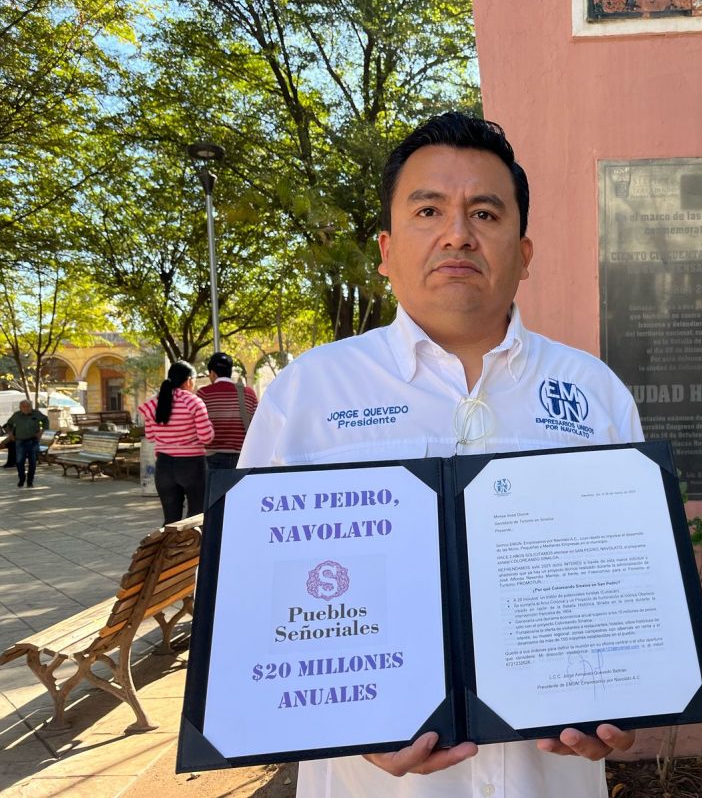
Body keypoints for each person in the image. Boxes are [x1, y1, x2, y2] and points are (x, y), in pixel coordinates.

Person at [239, 113, 642, 798]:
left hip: (551, 778)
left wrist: (633, 697)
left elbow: (631, 590)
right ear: (386, 248)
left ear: (525, 251)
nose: (458, 233)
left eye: (485, 212)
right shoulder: (308, 395)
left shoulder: (593, 393)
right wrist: (342, 723)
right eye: (429, 210)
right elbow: (251, 606)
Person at [137, 361, 214, 523]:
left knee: (171, 521)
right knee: (196, 519)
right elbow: (206, 437)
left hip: (164, 466)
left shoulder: (152, 404)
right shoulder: (194, 402)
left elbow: (150, 436)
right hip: (192, 466)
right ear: (188, 380)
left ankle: (169, 541)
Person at [196, 351, 258, 470]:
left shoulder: (203, 394)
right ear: (230, 371)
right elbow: (257, 426)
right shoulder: (249, 394)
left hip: (211, 459)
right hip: (242, 459)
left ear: (212, 373)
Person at [4, 400, 48, 488]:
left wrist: (42, 431)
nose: (26, 408)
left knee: (32, 462)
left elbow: (45, 420)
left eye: (28, 406)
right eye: (24, 407)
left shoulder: (36, 414)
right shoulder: (17, 415)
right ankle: (21, 478)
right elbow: (8, 424)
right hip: (20, 441)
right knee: (19, 461)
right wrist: (10, 434)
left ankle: (30, 481)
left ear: (31, 406)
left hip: (33, 441)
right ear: (20, 408)